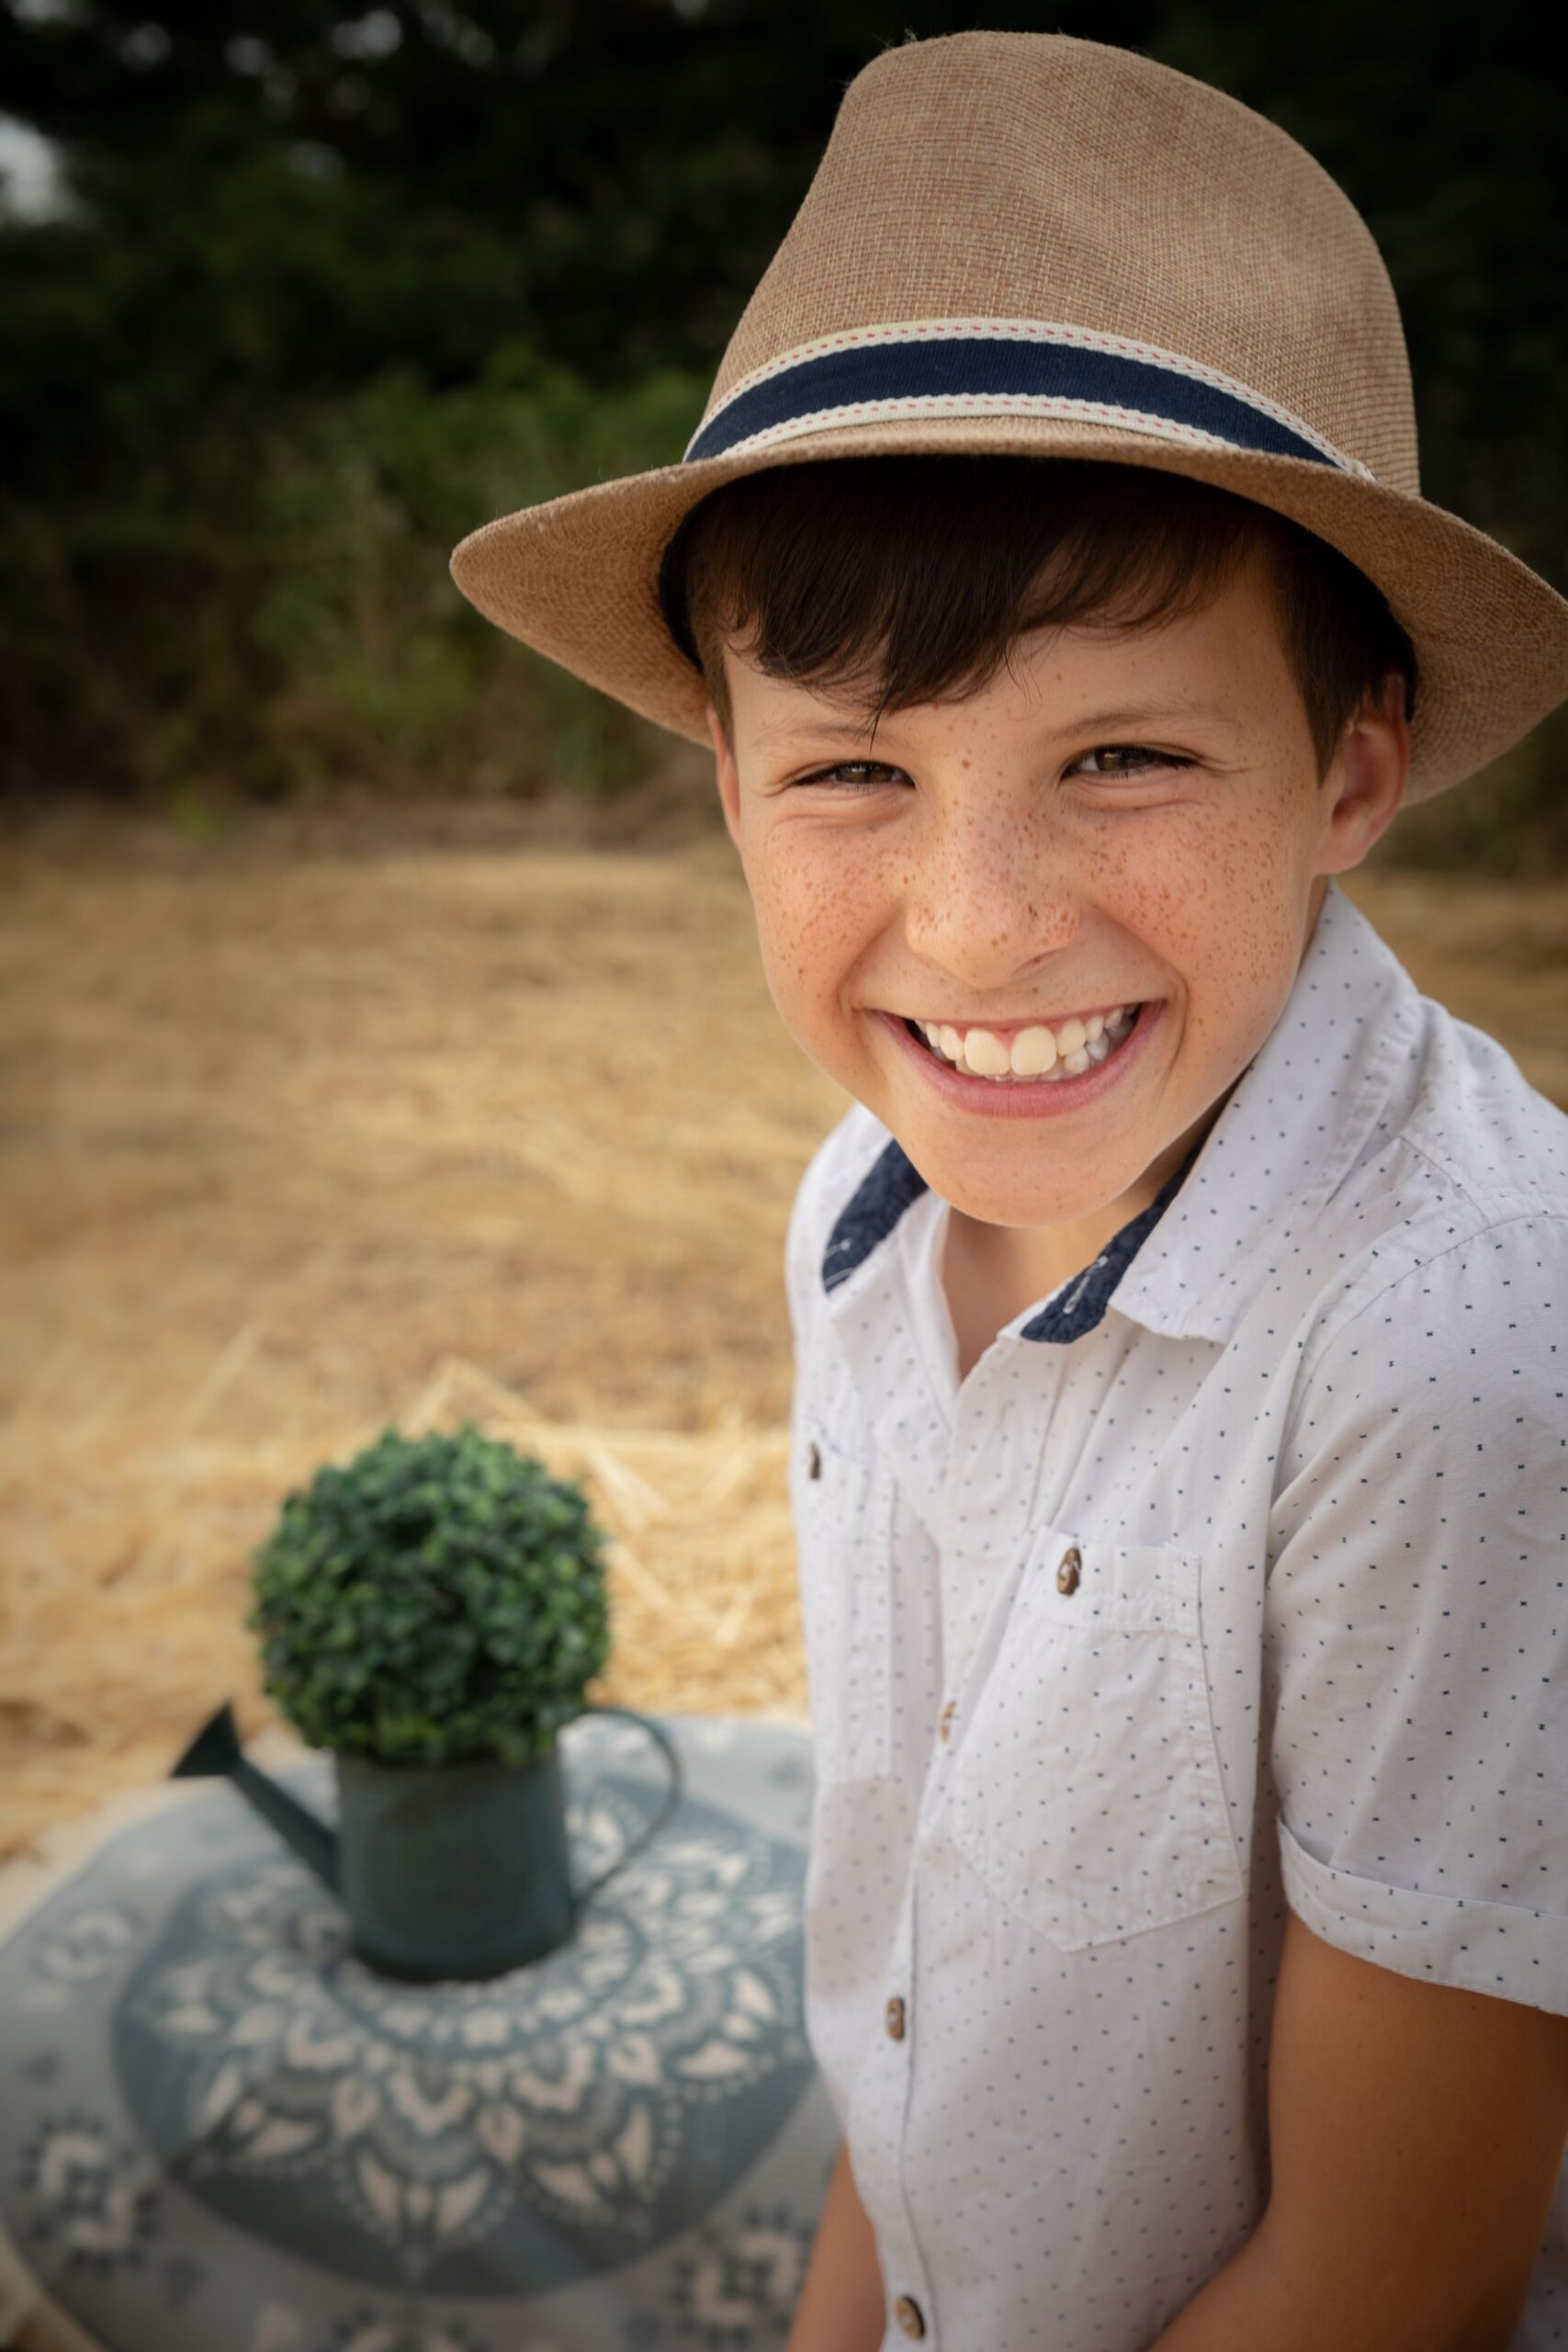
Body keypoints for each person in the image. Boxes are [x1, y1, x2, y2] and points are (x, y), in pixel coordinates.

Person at [449, 31, 1568, 2350]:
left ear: (1350, 768)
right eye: (851, 771)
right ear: (726, 784)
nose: (974, 932)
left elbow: (1394, 2273)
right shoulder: (854, 1214)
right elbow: (915, 2003)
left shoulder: (1450, 1348)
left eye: (1122, 754)